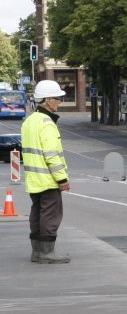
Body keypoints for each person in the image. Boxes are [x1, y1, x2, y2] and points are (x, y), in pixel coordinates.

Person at [21, 80, 72, 264]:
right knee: (50, 216)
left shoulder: (29, 121)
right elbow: (52, 156)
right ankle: (47, 253)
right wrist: (62, 179)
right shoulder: (47, 123)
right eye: (57, 98)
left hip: (34, 180)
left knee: (37, 214)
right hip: (48, 180)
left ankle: (36, 252)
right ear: (48, 100)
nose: (59, 102)